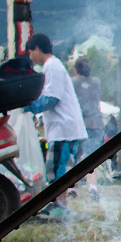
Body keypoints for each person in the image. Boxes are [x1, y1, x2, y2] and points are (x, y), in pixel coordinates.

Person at [23, 33, 88, 218]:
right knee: (54, 168)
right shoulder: (50, 66)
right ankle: (57, 204)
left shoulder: (53, 66)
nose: (30, 57)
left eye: (30, 52)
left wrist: (29, 106)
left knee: (61, 168)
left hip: (65, 128)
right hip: (59, 128)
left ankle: (62, 206)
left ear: (37, 48)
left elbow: (51, 98)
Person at [71, 58, 104, 199]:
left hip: (79, 123)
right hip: (95, 122)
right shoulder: (95, 82)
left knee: (74, 155)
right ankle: (93, 187)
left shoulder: (73, 82)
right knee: (91, 156)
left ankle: (71, 187)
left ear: (75, 69)